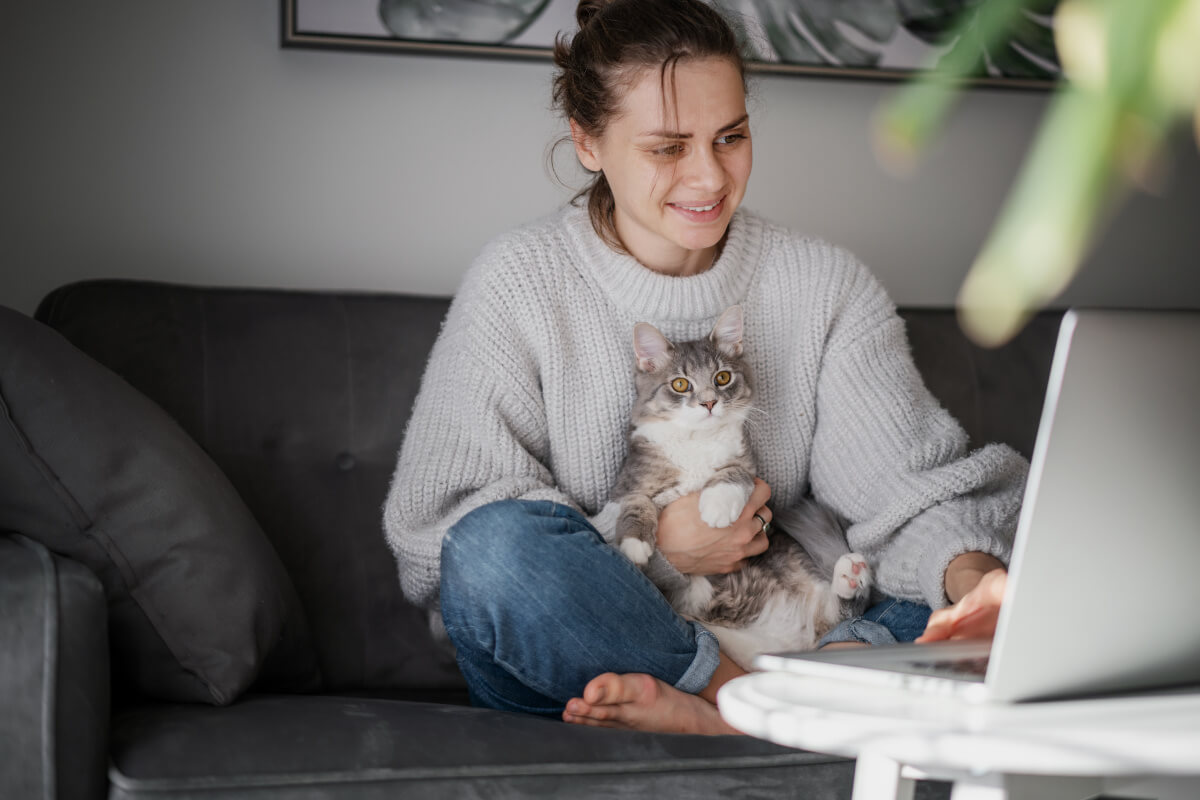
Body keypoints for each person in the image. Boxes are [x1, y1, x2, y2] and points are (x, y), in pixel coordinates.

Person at [383, 0, 1027, 735]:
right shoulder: (519, 282)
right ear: (588, 142)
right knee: (496, 554)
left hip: (789, 618)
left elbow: (905, 496)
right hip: (603, 643)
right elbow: (443, 541)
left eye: (732, 137)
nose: (709, 177)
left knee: (930, 592)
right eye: (667, 148)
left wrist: (977, 587)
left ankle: (741, 708)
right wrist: (661, 548)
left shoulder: (824, 285)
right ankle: (752, 704)